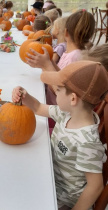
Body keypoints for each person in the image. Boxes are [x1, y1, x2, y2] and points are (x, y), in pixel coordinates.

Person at [12, 61, 107, 210]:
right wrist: (24, 95)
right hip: (49, 177)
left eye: (58, 90)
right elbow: (38, 107)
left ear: (73, 99)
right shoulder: (66, 113)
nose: (55, 91)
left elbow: (95, 186)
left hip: (64, 201)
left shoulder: (87, 141)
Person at [26, 10, 95, 105]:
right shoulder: (70, 53)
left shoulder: (75, 57)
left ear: (65, 32)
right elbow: (62, 74)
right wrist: (49, 61)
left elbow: (60, 90)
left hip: (57, 108)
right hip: (53, 101)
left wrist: (45, 66)